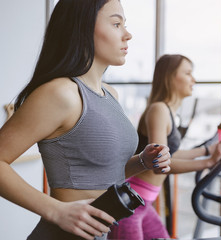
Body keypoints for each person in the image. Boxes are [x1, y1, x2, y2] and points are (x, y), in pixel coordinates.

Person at [0, 0, 171, 240]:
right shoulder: (61, 93)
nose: (127, 35)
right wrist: (56, 210)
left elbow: (102, 171)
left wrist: (142, 161)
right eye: (116, 24)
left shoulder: (110, 94)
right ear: (83, 27)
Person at [108, 54, 221, 240]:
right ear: (170, 77)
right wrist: (208, 162)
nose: (194, 79)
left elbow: (171, 153)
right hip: (130, 205)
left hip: (143, 204)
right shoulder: (159, 109)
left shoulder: (166, 111)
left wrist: (207, 150)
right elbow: (161, 164)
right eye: (188, 73)